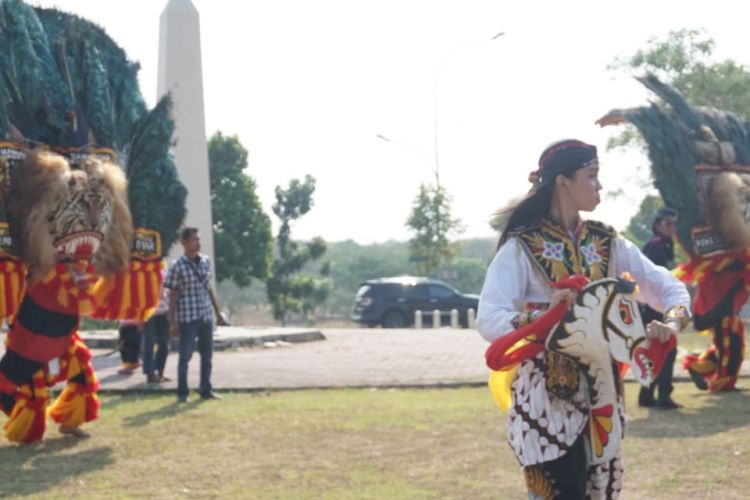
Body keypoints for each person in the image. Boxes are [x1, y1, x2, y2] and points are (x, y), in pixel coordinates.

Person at [476, 139, 691, 499]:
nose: (599, 186)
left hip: (603, 396)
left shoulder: (608, 242)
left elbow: (668, 288)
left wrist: (670, 324)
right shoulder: (522, 246)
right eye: (591, 176)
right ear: (563, 182)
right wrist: (545, 315)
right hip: (546, 399)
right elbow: (489, 317)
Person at [164, 227, 228, 403]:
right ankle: (182, 393)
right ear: (184, 243)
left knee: (207, 355)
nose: (198, 243)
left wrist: (217, 313)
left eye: (198, 239)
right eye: (194, 240)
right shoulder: (177, 266)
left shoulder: (205, 261)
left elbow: (208, 288)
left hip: (205, 315)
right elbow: (173, 295)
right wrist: (173, 322)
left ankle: (205, 389)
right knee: (185, 355)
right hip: (187, 317)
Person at [638, 208, 681, 409]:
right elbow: (658, 279)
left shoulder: (662, 244)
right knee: (667, 348)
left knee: (655, 350)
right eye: (668, 224)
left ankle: (647, 395)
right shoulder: (657, 246)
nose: (672, 228)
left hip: (652, 305)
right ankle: (663, 397)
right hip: (654, 306)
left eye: (674, 224)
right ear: (657, 225)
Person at [142, 275, 171, 384]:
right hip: (149, 314)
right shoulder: (145, 272)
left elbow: (167, 289)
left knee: (164, 344)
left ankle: (160, 371)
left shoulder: (163, 270)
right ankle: (150, 374)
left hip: (163, 312)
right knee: (149, 344)